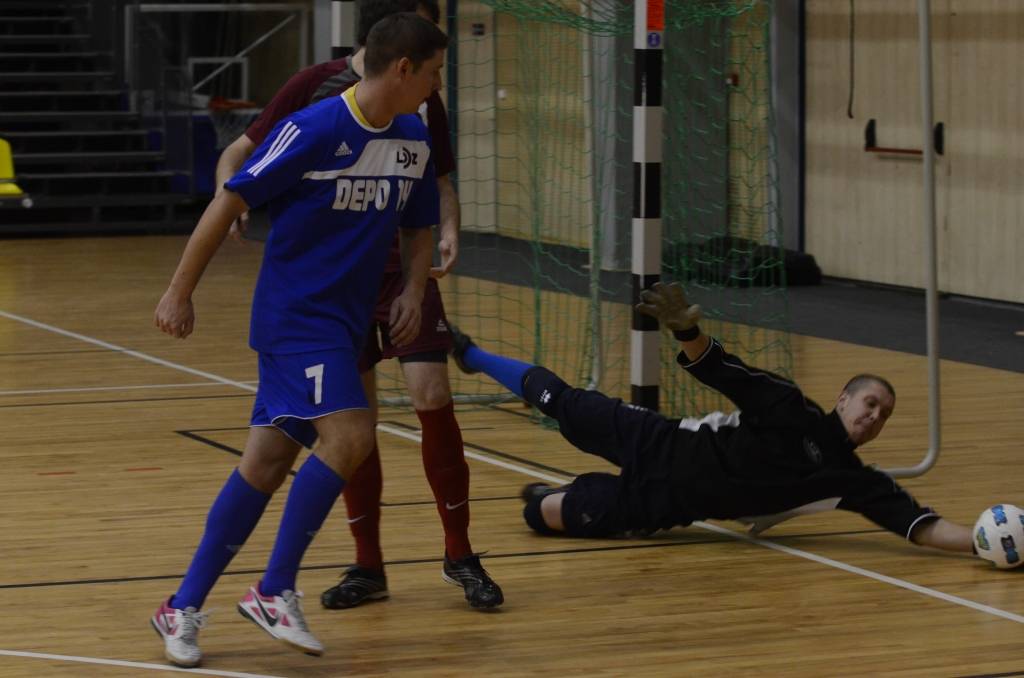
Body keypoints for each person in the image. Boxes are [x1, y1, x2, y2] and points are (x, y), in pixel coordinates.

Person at [149, 14, 448, 668]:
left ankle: (181, 605)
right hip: (295, 318)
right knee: (351, 435)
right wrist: (179, 290)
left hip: (344, 324)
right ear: (404, 69)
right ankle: (274, 588)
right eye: (434, 73)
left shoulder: (412, 139)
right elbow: (230, 201)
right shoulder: (314, 128)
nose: (436, 86)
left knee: (264, 463)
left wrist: (414, 290)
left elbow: (420, 228)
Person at [216, 0, 503, 612]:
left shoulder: (425, 97)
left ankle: (460, 552)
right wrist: (230, 201)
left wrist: (447, 228)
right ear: (393, 40)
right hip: (337, 285)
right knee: (356, 422)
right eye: (425, 19)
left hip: (403, 266)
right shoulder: (315, 88)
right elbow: (241, 152)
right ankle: (367, 564)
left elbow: (438, 179)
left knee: (431, 393)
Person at [448, 282, 975, 555]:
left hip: (670, 503)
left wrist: (981, 540)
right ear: (843, 399)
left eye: (883, 414)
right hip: (662, 443)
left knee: (540, 519)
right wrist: (684, 330)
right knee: (562, 401)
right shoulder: (792, 408)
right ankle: (474, 357)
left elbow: (922, 528)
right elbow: (727, 372)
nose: (874, 417)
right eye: (869, 404)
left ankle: (549, 496)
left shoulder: (854, 482)